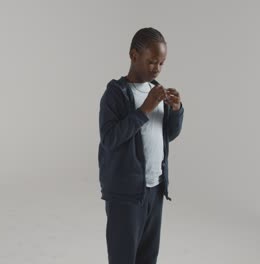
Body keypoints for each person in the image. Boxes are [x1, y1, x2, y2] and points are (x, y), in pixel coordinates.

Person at [98, 27, 184, 264]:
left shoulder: (154, 91)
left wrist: (176, 111)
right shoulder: (116, 94)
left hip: (154, 188)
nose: (156, 68)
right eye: (152, 62)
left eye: (161, 64)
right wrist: (145, 109)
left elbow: (168, 134)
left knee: (148, 255)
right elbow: (110, 139)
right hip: (126, 193)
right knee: (123, 256)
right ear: (134, 56)